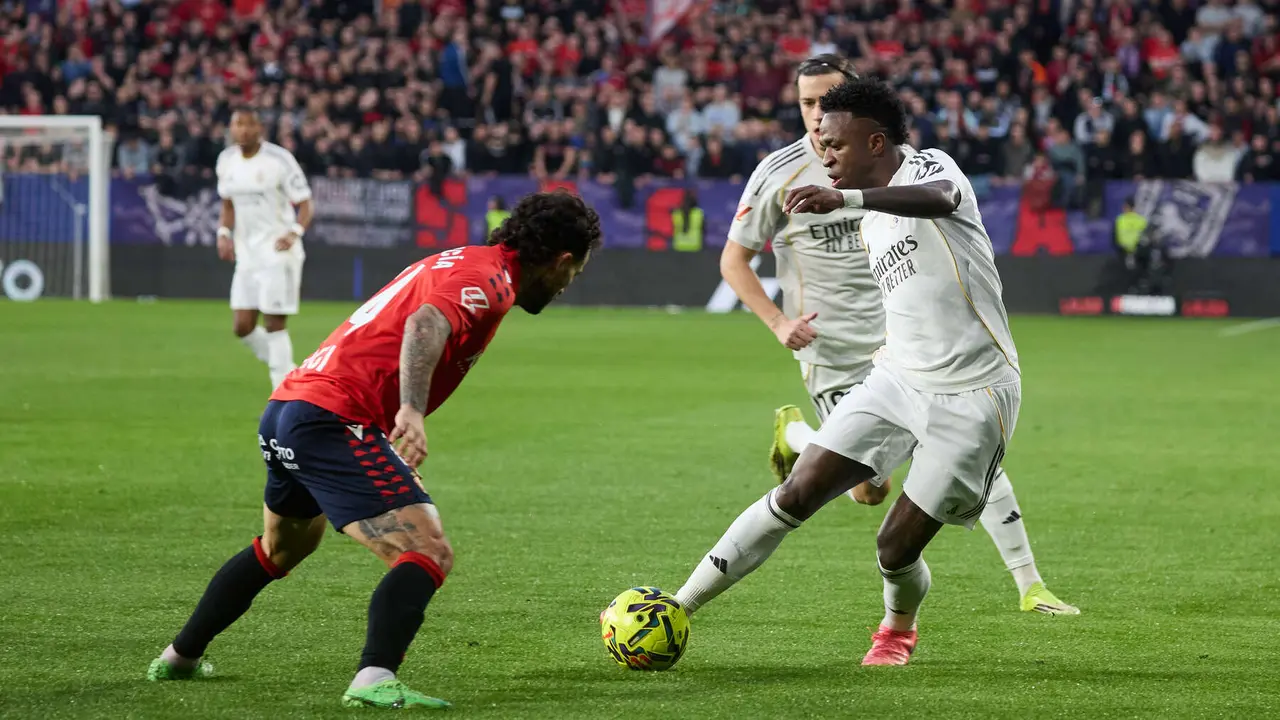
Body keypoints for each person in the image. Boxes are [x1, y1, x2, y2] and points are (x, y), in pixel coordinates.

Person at [147, 191, 601, 708]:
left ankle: (179, 657)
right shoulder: (492, 280)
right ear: (562, 259)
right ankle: (373, 678)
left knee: (284, 548)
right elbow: (424, 323)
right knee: (427, 550)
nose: (568, 285)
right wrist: (410, 409)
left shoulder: (459, 259)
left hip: (290, 409)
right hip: (331, 419)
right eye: (575, 273)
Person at [674, 78, 1059, 667]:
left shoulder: (929, 169)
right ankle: (677, 608)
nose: (823, 153)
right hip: (897, 379)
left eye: (834, 144)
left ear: (876, 142)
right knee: (795, 493)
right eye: (819, 142)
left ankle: (897, 628)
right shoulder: (867, 217)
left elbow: (941, 199)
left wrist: (847, 200)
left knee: (893, 547)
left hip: (973, 395)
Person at [216, 109, 315, 390]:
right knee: (242, 327)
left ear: (259, 128)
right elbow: (227, 204)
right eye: (237, 124)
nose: (243, 130)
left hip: (277, 251)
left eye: (248, 124)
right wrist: (223, 232)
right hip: (247, 254)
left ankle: (281, 395)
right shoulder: (226, 160)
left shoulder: (279, 160)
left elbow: (306, 203)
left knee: (274, 324)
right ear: (231, 128)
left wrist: (295, 232)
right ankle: (292, 376)